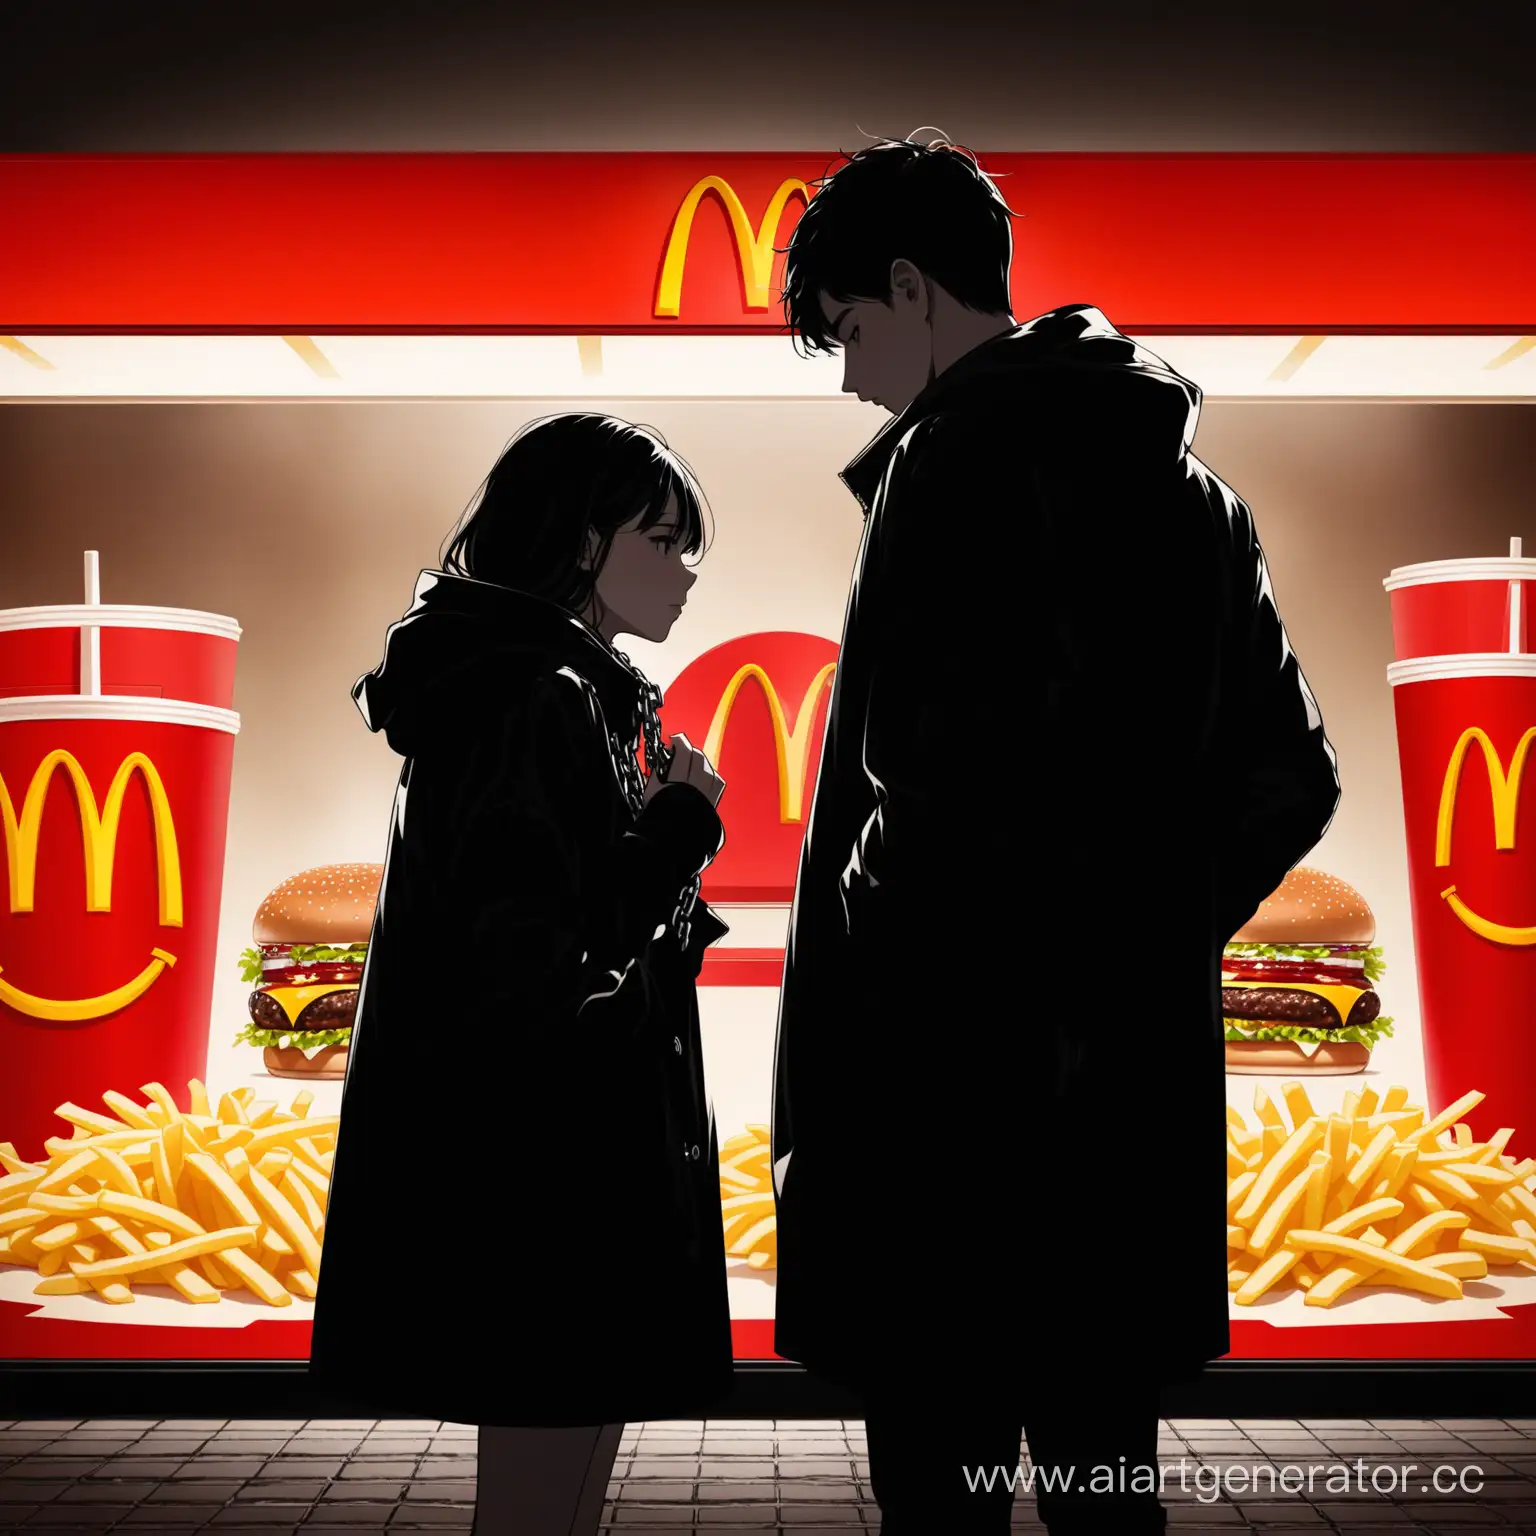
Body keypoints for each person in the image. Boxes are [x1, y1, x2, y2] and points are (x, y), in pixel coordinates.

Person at [769, 132, 1342, 1534]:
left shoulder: (947, 465)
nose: (849, 375)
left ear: (910, 289)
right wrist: (1138, 936)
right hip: (1123, 1130)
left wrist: (912, 964)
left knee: (943, 1497)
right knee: (1104, 1489)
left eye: (847, 330)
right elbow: (1295, 777)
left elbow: (926, 783)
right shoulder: (1196, 496)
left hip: (941, 1125)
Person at [309, 413, 735, 1536]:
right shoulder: (536, 697)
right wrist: (682, 828)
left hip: (540, 1157)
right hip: (551, 1168)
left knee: (563, 1457)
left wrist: (661, 852)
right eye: (663, 540)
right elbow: (546, 963)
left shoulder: (533, 687)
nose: (688, 570)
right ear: (585, 542)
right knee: (548, 1471)